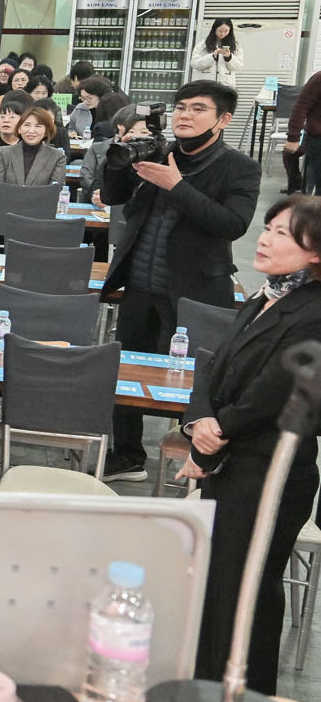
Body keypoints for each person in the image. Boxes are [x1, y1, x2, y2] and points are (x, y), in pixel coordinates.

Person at [174, 196, 321, 695]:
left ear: (315, 252)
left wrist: (211, 441)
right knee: (216, 586)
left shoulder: (313, 312)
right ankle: (203, 691)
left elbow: (271, 396)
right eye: (269, 228)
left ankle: (246, 701)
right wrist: (198, 420)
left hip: (269, 472)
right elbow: (213, 363)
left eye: (283, 234)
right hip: (232, 463)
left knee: (247, 593)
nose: (265, 239)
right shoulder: (264, 295)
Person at [100, 79, 260, 479]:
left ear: (223, 119)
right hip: (140, 282)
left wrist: (177, 186)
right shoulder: (159, 150)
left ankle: (198, 460)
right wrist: (120, 156)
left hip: (197, 292)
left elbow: (233, 224)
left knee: (200, 380)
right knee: (126, 370)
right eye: (181, 107)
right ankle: (127, 455)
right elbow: (113, 195)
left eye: (198, 109)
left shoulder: (239, 167)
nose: (185, 115)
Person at [0, 102, 66, 186]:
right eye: (27, 125)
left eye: (38, 126)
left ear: (46, 131)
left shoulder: (57, 157)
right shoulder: (3, 153)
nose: (31, 131)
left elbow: (54, 189)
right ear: (19, 129)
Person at [282, 65, 321, 194]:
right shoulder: (318, 79)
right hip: (317, 141)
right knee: (314, 189)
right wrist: (293, 137)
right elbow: (300, 108)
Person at [191, 18, 243, 88]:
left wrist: (229, 57)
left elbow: (238, 66)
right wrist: (212, 57)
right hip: (206, 85)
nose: (223, 33)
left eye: (226, 31)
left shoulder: (235, 46)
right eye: (220, 31)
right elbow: (194, 64)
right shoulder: (202, 45)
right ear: (214, 29)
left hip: (226, 86)